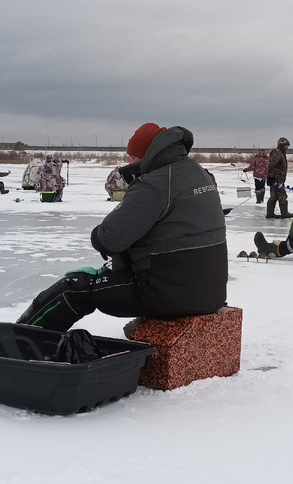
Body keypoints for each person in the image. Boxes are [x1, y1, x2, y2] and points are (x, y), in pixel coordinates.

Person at [16, 124, 228, 332]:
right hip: (209, 290)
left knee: (74, 286)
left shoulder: (156, 183)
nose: (128, 161)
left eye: (132, 156)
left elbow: (108, 239)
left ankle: (19, 340)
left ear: (148, 154)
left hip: (169, 294)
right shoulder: (196, 172)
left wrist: (102, 233)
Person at [266, 137, 293, 219]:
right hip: (276, 179)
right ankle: (284, 213)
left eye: (287, 146)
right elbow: (271, 165)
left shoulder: (282, 153)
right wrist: (270, 177)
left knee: (274, 196)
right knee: (282, 195)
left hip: (279, 179)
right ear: (281, 145)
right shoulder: (277, 153)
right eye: (285, 146)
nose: (287, 148)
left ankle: (270, 213)